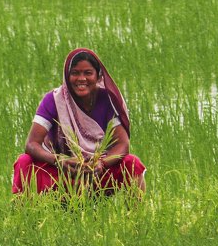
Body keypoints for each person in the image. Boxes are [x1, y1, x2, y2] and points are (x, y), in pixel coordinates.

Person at [12, 48, 146, 196]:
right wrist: (59, 161)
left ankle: (135, 216)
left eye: (88, 73)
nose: (81, 79)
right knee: (24, 161)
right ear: (67, 76)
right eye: (75, 73)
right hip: (61, 174)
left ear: (98, 75)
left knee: (132, 163)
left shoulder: (106, 100)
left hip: (95, 173)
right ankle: (24, 212)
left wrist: (101, 163)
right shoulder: (54, 100)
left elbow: (123, 144)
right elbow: (31, 144)